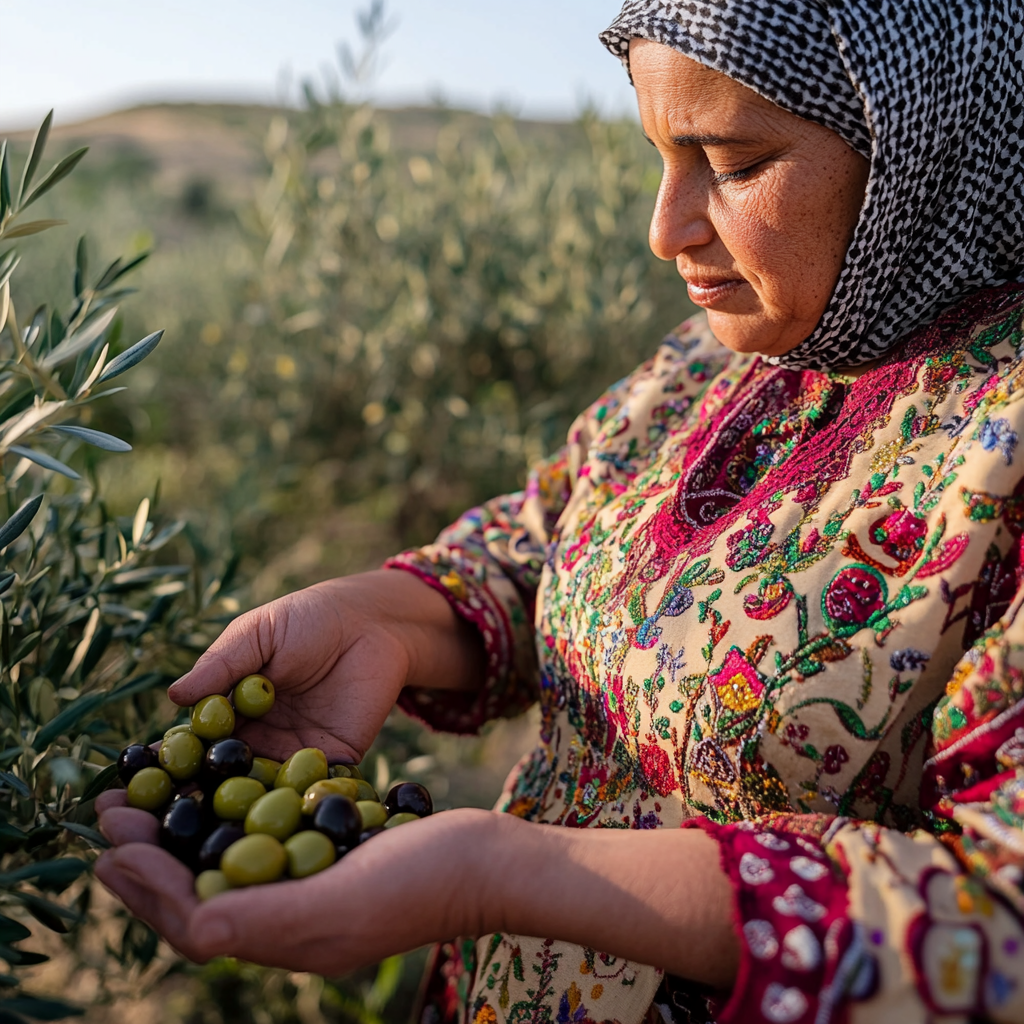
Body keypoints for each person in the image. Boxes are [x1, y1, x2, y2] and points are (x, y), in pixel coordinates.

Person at [96, 2, 1024, 1022]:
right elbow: (544, 540)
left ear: (921, 144)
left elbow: (997, 925)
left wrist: (500, 874)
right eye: (660, 155)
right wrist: (383, 617)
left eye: (733, 160)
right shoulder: (704, 363)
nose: (663, 229)